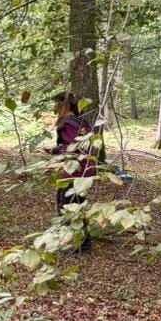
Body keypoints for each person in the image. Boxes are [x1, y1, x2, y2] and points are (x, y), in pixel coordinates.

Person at [49, 92, 98, 249]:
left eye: (57, 104)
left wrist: (55, 150)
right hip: (85, 171)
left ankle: (74, 245)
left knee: (67, 205)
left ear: (65, 105)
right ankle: (81, 243)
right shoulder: (82, 121)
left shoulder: (68, 123)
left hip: (74, 172)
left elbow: (73, 148)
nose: (54, 108)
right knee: (78, 205)